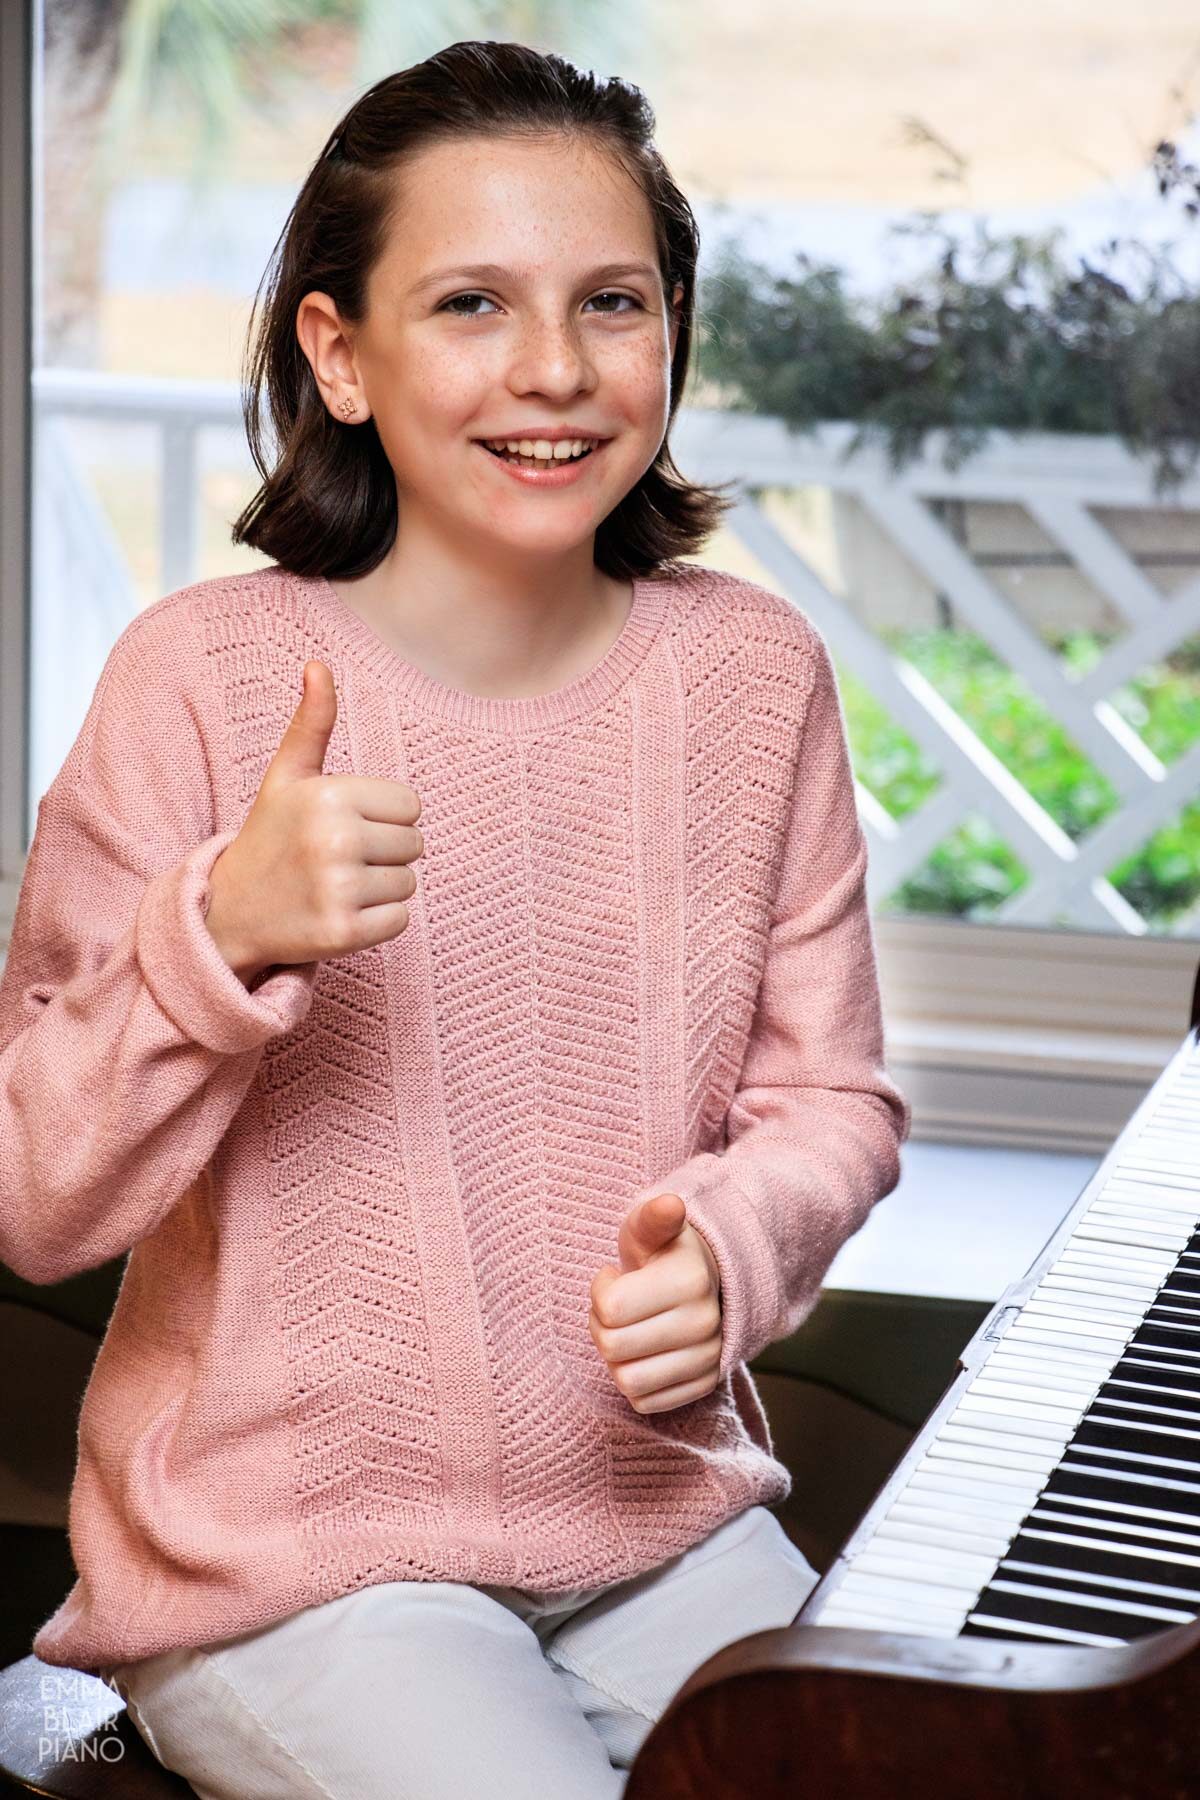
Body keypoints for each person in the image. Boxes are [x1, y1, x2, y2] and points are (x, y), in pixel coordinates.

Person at [0, 37, 911, 1800]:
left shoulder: (752, 676)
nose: (556, 370)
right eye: (473, 303)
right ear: (338, 354)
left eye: (615, 303)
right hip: (299, 1567)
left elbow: (834, 1103)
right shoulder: (197, 683)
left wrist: (735, 1240)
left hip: (660, 1520)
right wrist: (223, 933)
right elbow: (35, 1201)